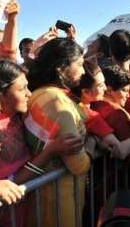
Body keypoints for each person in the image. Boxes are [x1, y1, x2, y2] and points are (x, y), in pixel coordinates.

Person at [0, 59, 83, 226]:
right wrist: (50, 151)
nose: (29, 94)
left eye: (27, 86)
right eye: (22, 89)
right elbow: (12, 181)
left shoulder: (19, 116)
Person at [25, 38, 90, 227]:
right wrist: (92, 147)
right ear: (61, 68)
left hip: (43, 195)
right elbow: (78, 164)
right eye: (79, 65)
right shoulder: (56, 101)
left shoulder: (39, 95)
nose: (84, 71)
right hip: (60, 200)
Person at [71, 60, 130, 161]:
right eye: (100, 85)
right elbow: (120, 151)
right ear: (86, 92)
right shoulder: (92, 115)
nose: (105, 88)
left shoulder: (65, 101)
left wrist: (93, 139)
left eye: (104, 83)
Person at [91, 65, 130, 170]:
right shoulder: (117, 114)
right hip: (117, 177)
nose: (128, 95)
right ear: (108, 90)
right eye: (124, 90)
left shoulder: (95, 105)